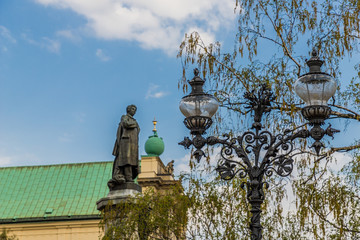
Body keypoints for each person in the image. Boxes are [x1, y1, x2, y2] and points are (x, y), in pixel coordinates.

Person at [108, 105, 140, 189]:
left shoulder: (134, 120)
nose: (134, 111)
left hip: (133, 143)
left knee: (132, 161)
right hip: (126, 143)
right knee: (127, 160)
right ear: (128, 110)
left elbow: (138, 130)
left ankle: (130, 177)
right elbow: (126, 124)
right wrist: (135, 124)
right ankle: (128, 177)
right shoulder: (124, 117)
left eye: (135, 110)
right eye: (133, 109)